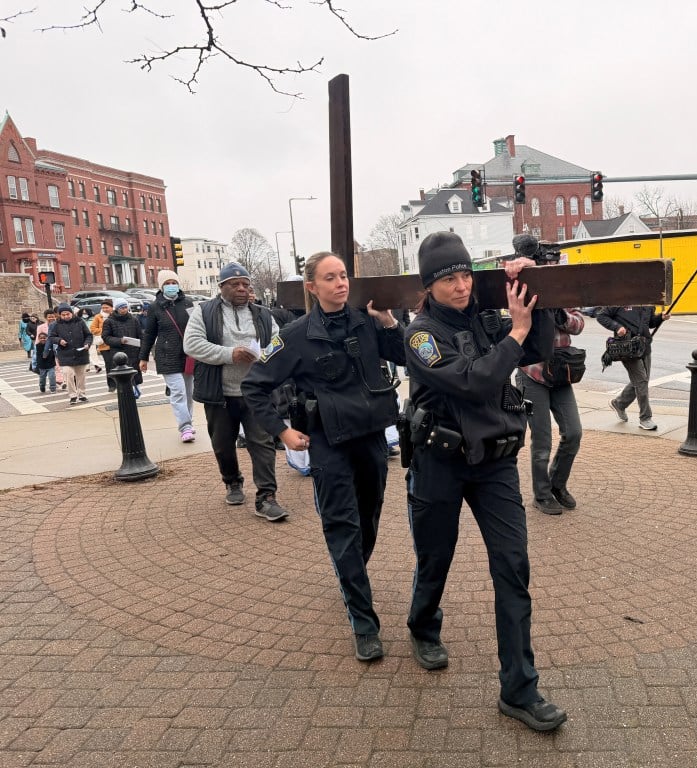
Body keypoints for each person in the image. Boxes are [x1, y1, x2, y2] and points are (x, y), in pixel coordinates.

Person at [402, 231, 565, 732]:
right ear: (430, 285)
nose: (461, 285)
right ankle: (423, 626)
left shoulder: (488, 319)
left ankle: (519, 689)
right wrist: (513, 335)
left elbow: (537, 347)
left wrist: (531, 294)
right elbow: (472, 381)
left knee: (513, 565)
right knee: (435, 557)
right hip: (440, 463)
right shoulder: (421, 336)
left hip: (493, 463)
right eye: (449, 278)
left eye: (466, 275)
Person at [242, 251, 406, 662]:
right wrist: (282, 430)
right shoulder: (296, 335)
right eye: (330, 278)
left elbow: (406, 355)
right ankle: (364, 621)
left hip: (370, 437)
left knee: (369, 517)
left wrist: (388, 321)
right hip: (327, 443)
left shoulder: (367, 321)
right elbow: (255, 386)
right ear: (312, 287)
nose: (341, 283)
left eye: (344, 275)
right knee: (342, 525)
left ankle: (350, 572)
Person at [184, 263, 287, 521]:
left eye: (245, 284)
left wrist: (263, 356)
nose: (242, 288)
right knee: (222, 444)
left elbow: (277, 342)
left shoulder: (263, 314)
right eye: (235, 284)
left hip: (256, 392)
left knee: (262, 442)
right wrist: (230, 354)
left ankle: (266, 497)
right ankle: (232, 482)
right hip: (220, 393)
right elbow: (192, 344)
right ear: (221, 287)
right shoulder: (204, 312)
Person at [509, 235, 585, 515]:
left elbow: (578, 324)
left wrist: (560, 316)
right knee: (541, 440)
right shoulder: (522, 285)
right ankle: (541, 494)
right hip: (532, 374)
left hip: (560, 373)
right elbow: (516, 320)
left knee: (573, 433)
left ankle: (556, 484)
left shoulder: (564, 291)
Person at [140, 270, 197, 442]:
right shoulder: (155, 306)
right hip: (166, 355)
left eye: (174, 282)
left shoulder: (188, 302)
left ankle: (189, 422)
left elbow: (197, 326)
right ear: (161, 286)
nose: (171, 286)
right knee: (178, 392)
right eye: (167, 283)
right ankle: (185, 427)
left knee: (188, 392)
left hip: (188, 354)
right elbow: (149, 334)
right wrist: (143, 357)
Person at [598, 304, 671, 431]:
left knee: (641, 381)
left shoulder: (648, 302)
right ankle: (645, 418)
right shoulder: (621, 299)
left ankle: (619, 404)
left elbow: (650, 323)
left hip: (645, 347)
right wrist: (617, 327)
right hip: (627, 348)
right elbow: (601, 316)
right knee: (641, 381)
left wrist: (661, 318)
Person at [50, 302, 93, 405]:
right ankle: (72, 395)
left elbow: (88, 335)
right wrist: (59, 340)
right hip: (65, 354)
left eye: (67, 314)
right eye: (63, 315)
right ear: (60, 315)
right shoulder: (56, 324)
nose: (65, 316)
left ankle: (82, 394)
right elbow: (51, 337)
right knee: (68, 374)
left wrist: (87, 344)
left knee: (80, 375)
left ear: (71, 313)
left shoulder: (80, 322)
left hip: (80, 352)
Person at [102, 298, 144, 397]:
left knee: (135, 375)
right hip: (118, 354)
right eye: (121, 308)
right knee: (123, 378)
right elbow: (106, 337)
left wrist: (142, 348)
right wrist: (119, 341)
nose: (124, 310)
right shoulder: (109, 321)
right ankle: (125, 395)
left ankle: (136, 393)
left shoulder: (134, 319)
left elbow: (140, 336)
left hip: (134, 352)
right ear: (116, 309)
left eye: (125, 307)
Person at [89, 301, 112, 382]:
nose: (105, 309)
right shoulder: (98, 317)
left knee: (116, 364)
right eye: (103, 308)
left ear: (111, 307)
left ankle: (118, 382)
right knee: (108, 364)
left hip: (115, 344)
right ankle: (111, 384)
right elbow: (92, 329)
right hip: (103, 345)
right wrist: (105, 331)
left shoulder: (115, 316)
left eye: (107, 307)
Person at [35, 324, 57, 393]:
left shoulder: (51, 345)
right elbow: (35, 356)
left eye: (44, 338)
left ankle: (53, 388)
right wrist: (34, 365)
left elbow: (55, 352)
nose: (43, 339)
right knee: (42, 378)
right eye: (41, 338)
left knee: (52, 377)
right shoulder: (37, 346)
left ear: (47, 338)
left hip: (51, 364)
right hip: (42, 366)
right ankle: (42, 386)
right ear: (38, 339)